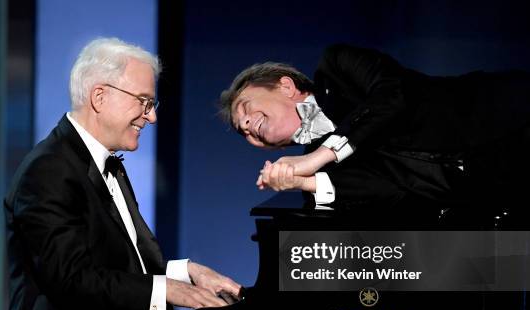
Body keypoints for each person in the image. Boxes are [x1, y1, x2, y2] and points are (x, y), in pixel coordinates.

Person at [4, 37, 248, 310]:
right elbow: (72, 279)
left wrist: (188, 273)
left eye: (153, 103)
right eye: (144, 102)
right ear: (100, 97)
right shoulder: (49, 170)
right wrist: (168, 291)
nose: (152, 116)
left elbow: (121, 262)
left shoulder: (106, 165)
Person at [220, 44, 530, 213]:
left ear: (285, 86)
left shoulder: (338, 67)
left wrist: (320, 157)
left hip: (513, 118)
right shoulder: (318, 174)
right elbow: (386, 193)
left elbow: (392, 97)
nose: (247, 125)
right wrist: (302, 182)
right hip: (502, 189)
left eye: (246, 108)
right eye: (242, 131)